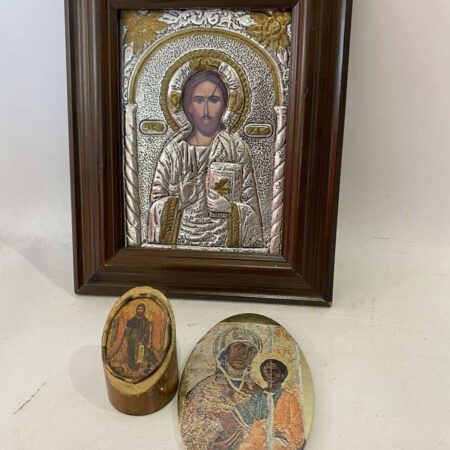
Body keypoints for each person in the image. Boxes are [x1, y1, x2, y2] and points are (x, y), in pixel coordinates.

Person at [147, 70, 263, 248]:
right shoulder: (174, 151)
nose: (206, 110)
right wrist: (179, 202)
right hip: (177, 245)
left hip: (226, 243)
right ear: (188, 106)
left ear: (225, 106)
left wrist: (228, 208)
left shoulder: (236, 150)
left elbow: (252, 212)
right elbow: (155, 206)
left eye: (214, 100)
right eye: (199, 100)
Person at [180, 328, 263, 450]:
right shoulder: (203, 391)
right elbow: (192, 434)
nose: (245, 355)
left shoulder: (258, 392)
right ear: (224, 351)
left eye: (251, 351)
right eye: (239, 347)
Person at [237, 359, 305, 450]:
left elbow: (297, 425)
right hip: (257, 440)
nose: (271, 374)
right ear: (263, 374)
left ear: (282, 375)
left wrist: (282, 433)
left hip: (280, 441)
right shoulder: (257, 396)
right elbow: (245, 416)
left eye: (275, 371)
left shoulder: (289, 398)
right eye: (267, 371)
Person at [107, 303, 156, 379]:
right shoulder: (133, 319)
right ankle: (132, 366)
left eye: (141, 309)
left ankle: (138, 366)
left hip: (140, 339)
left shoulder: (145, 321)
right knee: (130, 352)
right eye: (139, 309)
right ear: (136, 310)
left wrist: (143, 340)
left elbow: (147, 332)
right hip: (131, 339)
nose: (140, 310)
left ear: (144, 311)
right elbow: (127, 327)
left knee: (139, 353)